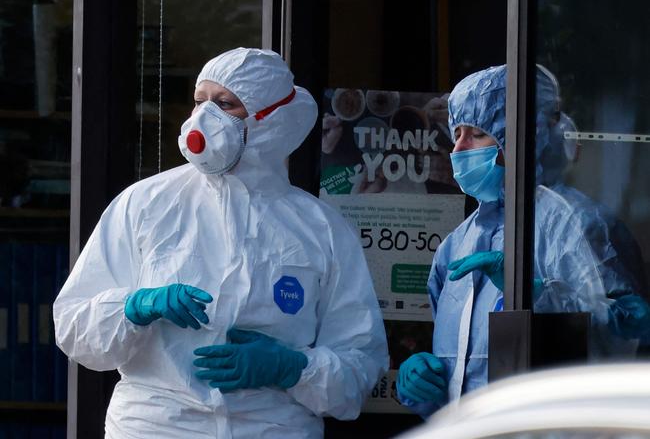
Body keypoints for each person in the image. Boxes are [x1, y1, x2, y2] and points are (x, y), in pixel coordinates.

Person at [53, 48, 389, 438]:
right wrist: (134, 307)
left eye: (226, 103)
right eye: (199, 102)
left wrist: (294, 368)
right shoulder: (147, 204)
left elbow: (359, 367)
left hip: (271, 429)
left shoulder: (320, 229)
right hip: (155, 427)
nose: (204, 118)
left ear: (271, 119)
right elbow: (74, 329)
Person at [395, 64, 650, 418]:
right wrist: (427, 385)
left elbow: (625, 337)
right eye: (456, 133)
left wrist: (535, 296)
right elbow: (462, 370)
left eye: (477, 134)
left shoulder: (577, 225)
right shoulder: (456, 243)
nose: (459, 148)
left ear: (521, 136)